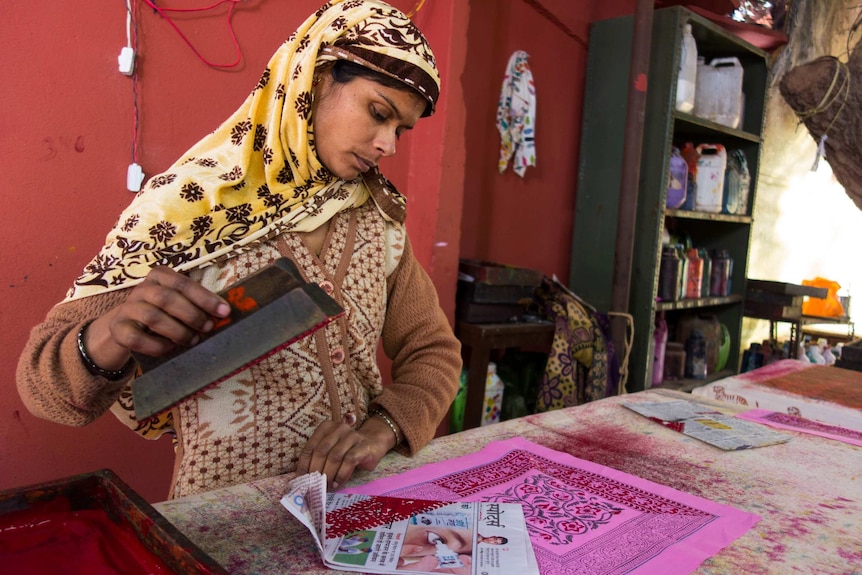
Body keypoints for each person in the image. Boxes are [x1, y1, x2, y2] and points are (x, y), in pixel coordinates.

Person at [16, 0, 461, 500]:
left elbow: (433, 352)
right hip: (221, 520)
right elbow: (46, 392)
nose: (388, 145)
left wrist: (383, 429)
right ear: (311, 79)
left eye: (401, 129)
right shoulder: (186, 210)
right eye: (378, 112)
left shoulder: (378, 223)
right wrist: (109, 336)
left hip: (352, 505)